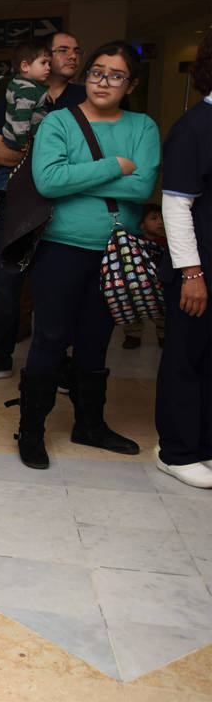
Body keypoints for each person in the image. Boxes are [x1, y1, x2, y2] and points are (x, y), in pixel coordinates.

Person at [17, 41, 159, 469]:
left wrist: (75, 179)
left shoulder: (143, 126)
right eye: (97, 72)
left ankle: (89, 425)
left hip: (117, 253)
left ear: (130, 83)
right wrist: (117, 165)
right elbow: (48, 182)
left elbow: (144, 187)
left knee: (97, 343)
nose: (104, 82)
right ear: (86, 76)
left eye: (116, 75)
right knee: (51, 339)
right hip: (60, 250)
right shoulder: (59, 122)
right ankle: (31, 431)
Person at [0, 31, 87, 384]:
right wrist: (48, 158)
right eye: (61, 51)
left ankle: (57, 364)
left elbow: (84, 156)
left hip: (62, 209)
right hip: (15, 207)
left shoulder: (83, 98)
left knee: (57, 288)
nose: (71, 57)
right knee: (7, 288)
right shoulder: (21, 89)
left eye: (75, 51)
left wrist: (41, 159)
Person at [154, 30, 212, 488]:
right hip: (199, 268)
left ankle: (205, 443)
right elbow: (176, 204)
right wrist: (191, 272)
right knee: (186, 357)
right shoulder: (194, 127)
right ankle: (176, 450)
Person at [0, 39, 51, 217]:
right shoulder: (26, 90)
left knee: (9, 170)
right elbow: (21, 118)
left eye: (49, 63)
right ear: (25, 66)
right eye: (43, 63)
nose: (49, 67)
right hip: (18, 137)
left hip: (16, 136)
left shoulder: (24, 85)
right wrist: (23, 141)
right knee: (12, 169)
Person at [122, 204, 167, 348]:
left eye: (162, 218)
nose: (160, 222)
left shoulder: (168, 243)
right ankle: (133, 336)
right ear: (141, 225)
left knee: (163, 312)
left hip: (160, 284)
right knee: (133, 308)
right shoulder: (135, 242)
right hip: (137, 284)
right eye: (154, 218)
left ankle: (163, 336)